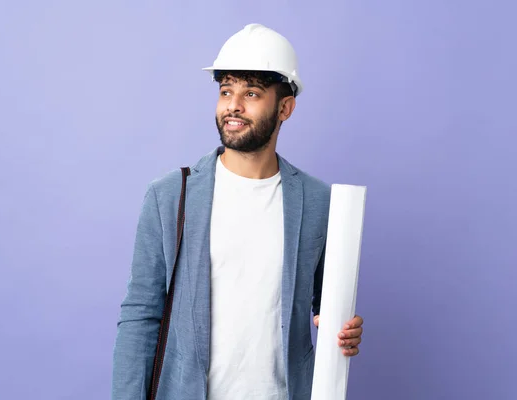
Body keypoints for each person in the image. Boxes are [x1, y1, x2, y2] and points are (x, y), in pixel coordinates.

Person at [112, 23, 364, 400]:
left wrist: (341, 330)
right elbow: (140, 316)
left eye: (252, 93)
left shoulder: (317, 201)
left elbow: (326, 306)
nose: (233, 105)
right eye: (226, 90)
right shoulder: (169, 196)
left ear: (285, 107)